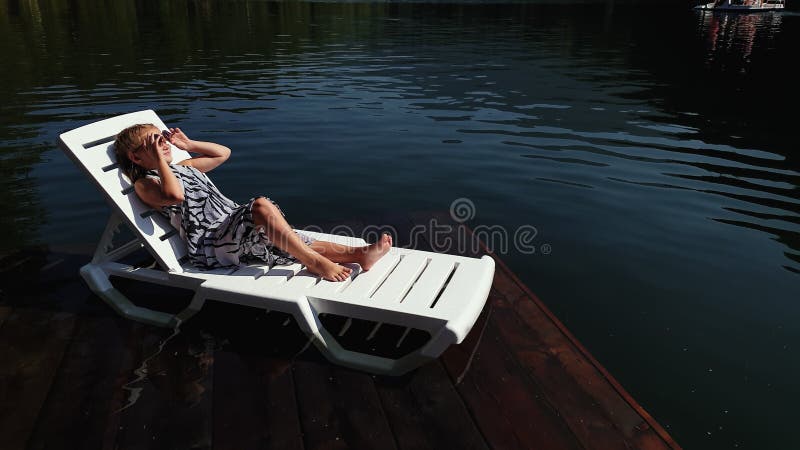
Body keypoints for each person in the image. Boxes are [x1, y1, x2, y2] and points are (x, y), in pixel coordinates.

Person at [113, 123, 392, 282]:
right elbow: (174, 196)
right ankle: (315, 262)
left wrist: (188, 145)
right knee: (260, 207)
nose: (163, 144)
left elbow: (223, 153)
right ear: (137, 158)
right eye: (154, 144)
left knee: (285, 238)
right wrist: (160, 160)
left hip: (232, 228)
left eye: (162, 139)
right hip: (212, 242)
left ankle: (360, 255)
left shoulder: (184, 166)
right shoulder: (146, 183)